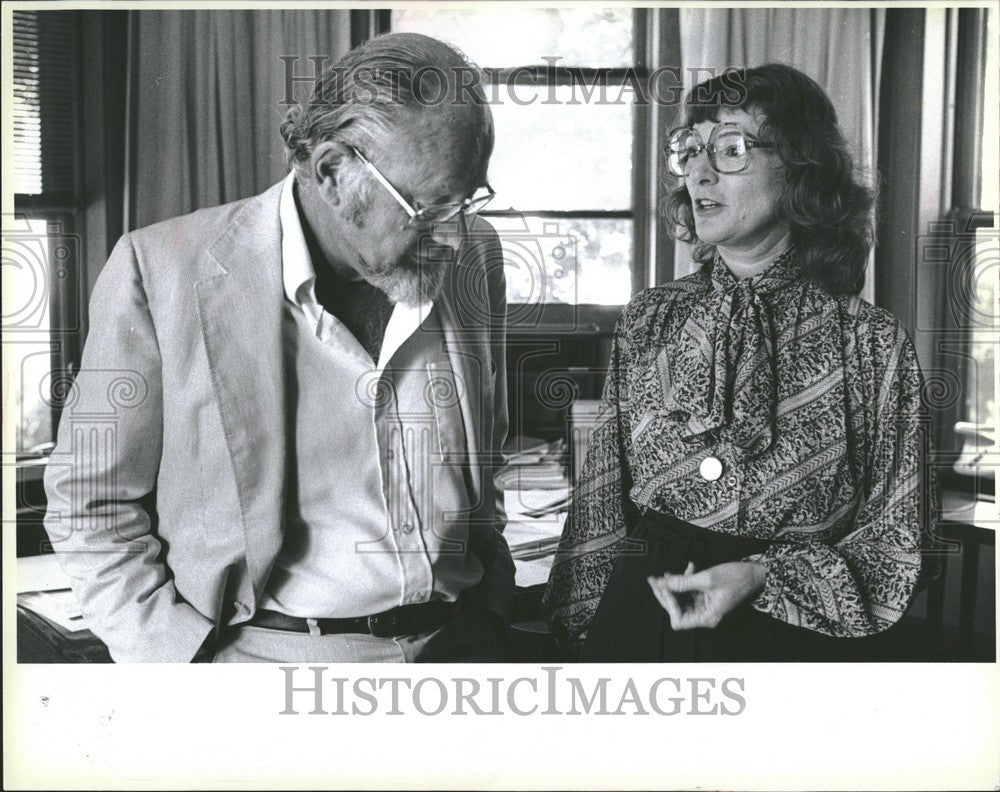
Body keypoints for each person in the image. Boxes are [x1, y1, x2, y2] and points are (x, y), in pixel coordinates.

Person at [43, 33, 515, 663]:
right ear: (332, 172)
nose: (456, 236)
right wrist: (181, 667)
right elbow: (89, 502)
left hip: (462, 648)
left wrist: (491, 608)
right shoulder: (159, 271)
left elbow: (486, 454)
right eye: (429, 208)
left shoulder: (476, 252)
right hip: (266, 667)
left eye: (468, 200)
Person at [543, 63, 937, 661]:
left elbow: (902, 536)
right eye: (691, 150)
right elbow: (602, 498)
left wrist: (763, 577)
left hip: (793, 635)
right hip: (644, 614)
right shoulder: (651, 320)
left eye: (731, 149)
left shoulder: (873, 343)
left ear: (802, 166)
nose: (700, 172)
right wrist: (577, 639)